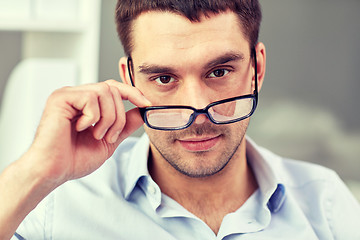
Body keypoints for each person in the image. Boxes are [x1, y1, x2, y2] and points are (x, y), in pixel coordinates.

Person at [1, 0, 359, 239]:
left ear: (257, 69)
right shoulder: (54, 205)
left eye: (219, 72)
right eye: (164, 78)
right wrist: (33, 172)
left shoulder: (325, 204)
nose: (197, 111)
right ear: (130, 80)